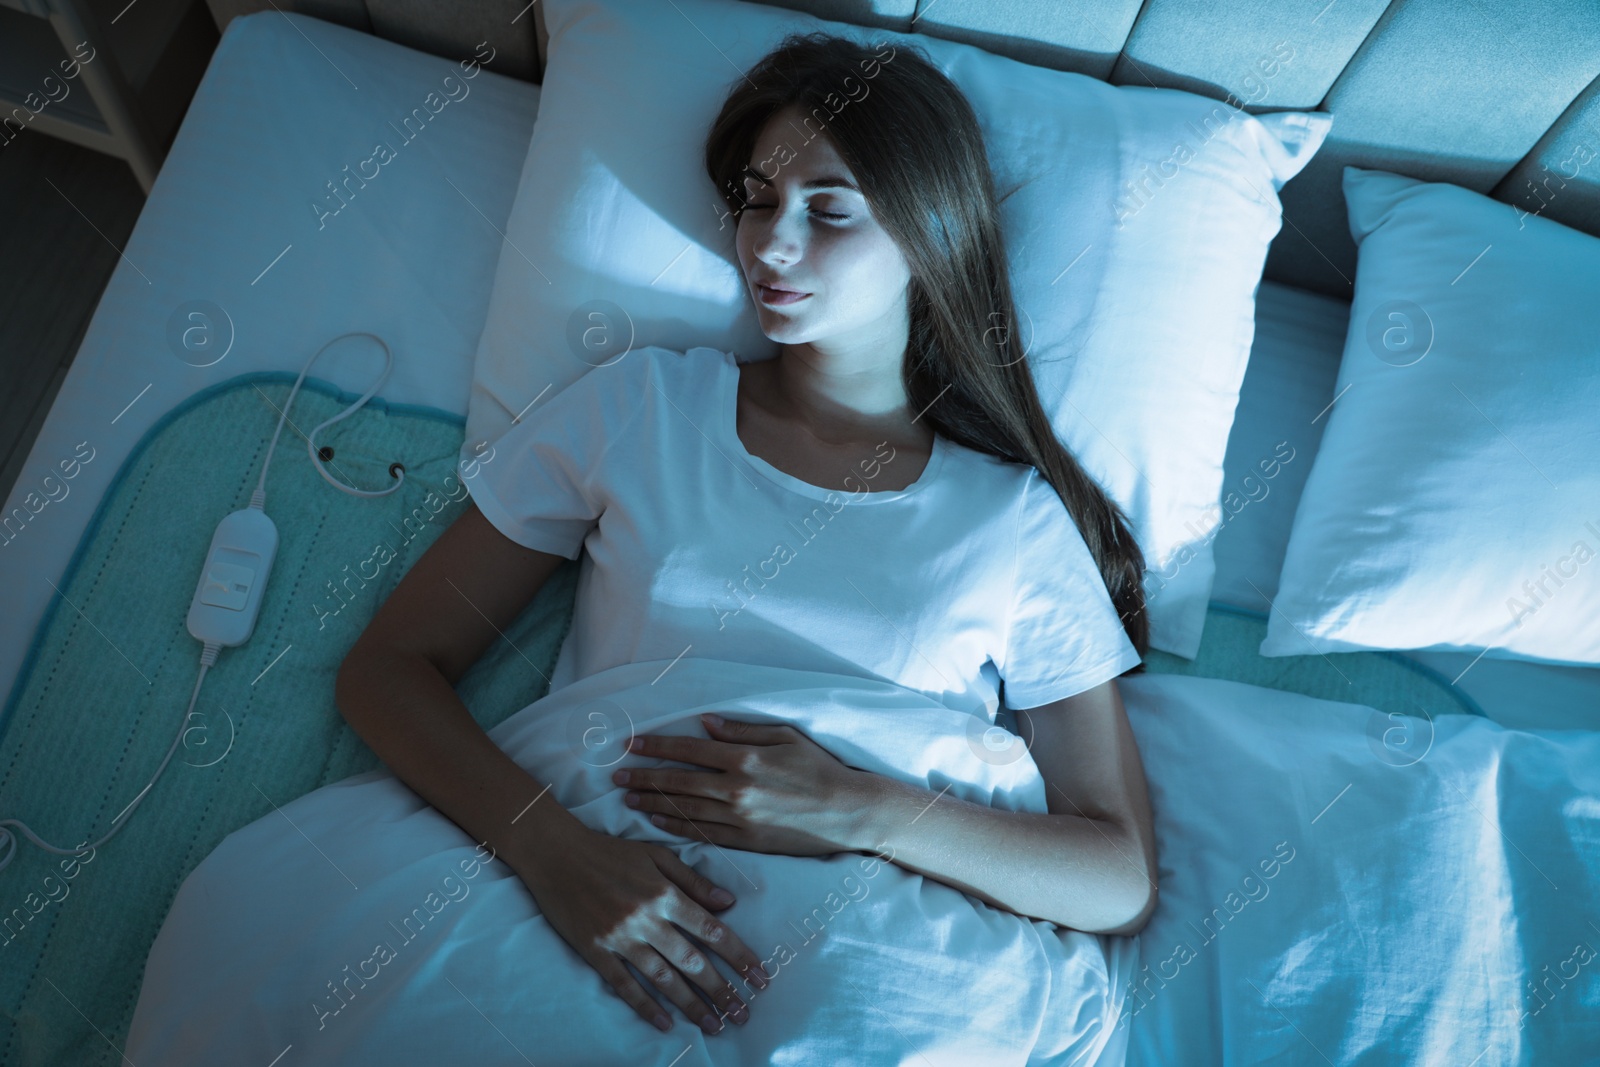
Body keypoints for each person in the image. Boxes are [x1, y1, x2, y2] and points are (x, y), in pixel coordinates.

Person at [336, 31, 1159, 1048]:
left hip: (876, 949)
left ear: (928, 228)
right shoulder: (642, 406)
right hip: (594, 889)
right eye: (757, 198)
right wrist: (553, 854)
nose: (769, 245)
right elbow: (387, 667)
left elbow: (1114, 873)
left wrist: (856, 808)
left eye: (827, 207)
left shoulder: (1014, 520)